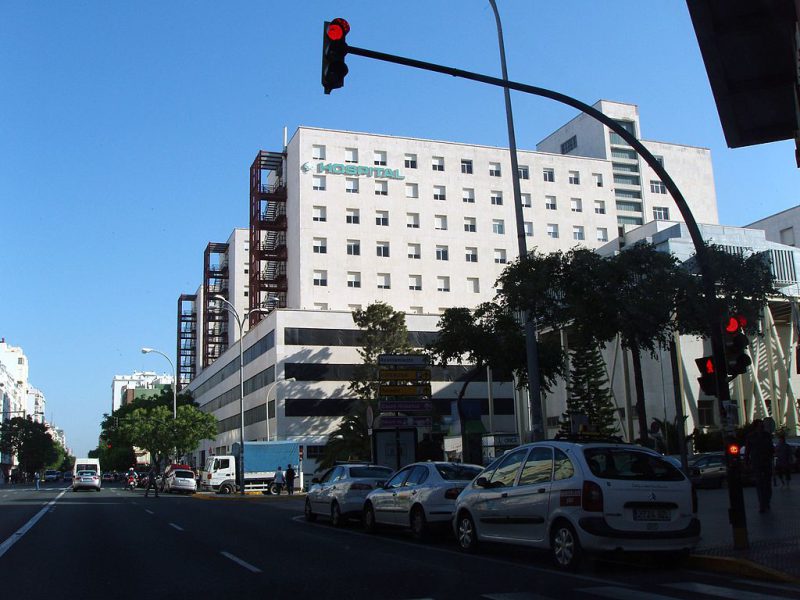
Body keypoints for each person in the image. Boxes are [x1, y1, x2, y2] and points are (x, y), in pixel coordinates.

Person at [745, 419, 774, 513]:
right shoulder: (751, 437)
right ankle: (762, 504)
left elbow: (771, 448)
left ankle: (767, 502)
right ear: (756, 426)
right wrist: (747, 462)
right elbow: (747, 451)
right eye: (760, 425)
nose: (761, 427)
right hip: (757, 462)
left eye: (762, 426)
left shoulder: (767, 435)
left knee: (767, 484)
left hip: (767, 462)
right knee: (760, 484)